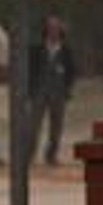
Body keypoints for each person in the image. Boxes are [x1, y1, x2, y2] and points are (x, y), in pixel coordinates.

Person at [27, 15, 76, 165]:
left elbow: (72, 72)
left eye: (56, 28)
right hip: (39, 92)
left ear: (60, 31)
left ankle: (51, 155)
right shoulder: (36, 50)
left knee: (56, 127)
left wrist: (67, 89)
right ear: (45, 30)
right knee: (33, 126)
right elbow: (30, 71)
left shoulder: (66, 51)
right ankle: (29, 155)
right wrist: (30, 91)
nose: (53, 31)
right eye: (50, 28)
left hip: (58, 93)